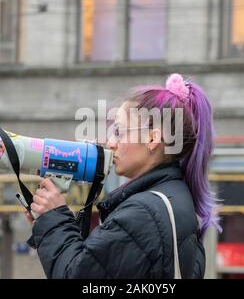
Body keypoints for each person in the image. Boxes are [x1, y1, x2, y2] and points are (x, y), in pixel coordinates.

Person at [25, 73, 220, 278]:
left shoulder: (143, 214)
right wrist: (49, 225)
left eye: (118, 131)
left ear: (152, 138)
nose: (110, 142)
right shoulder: (169, 201)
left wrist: (54, 220)